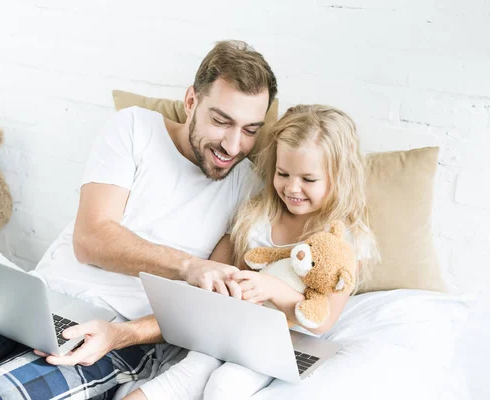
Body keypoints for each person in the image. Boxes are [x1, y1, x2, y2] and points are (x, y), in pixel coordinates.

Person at [0, 40, 277, 399]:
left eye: (250, 131)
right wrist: (188, 265)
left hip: (116, 337)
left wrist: (119, 335)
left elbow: (207, 306)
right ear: (191, 100)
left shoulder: (248, 190)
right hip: (36, 296)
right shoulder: (134, 128)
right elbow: (91, 240)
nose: (233, 145)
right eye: (222, 121)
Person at [124, 104, 380, 400]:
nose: (292, 188)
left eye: (308, 180)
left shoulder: (345, 239)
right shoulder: (258, 215)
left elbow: (323, 321)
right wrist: (227, 285)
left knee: (226, 384)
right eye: (283, 173)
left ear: (339, 177)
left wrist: (272, 289)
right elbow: (217, 268)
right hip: (237, 324)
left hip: (285, 339)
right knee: (190, 370)